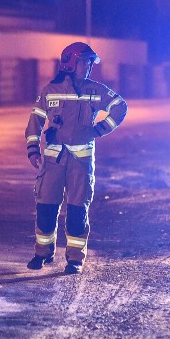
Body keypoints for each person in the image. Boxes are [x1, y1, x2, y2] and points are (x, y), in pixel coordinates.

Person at [24, 42, 128, 274]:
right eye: (84, 62)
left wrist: (99, 130)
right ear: (71, 64)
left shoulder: (95, 90)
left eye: (90, 63)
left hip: (80, 164)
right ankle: (42, 253)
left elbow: (120, 106)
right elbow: (36, 120)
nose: (89, 67)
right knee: (46, 208)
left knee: (77, 210)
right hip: (53, 162)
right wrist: (32, 148)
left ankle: (74, 259)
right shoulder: (51, 90)